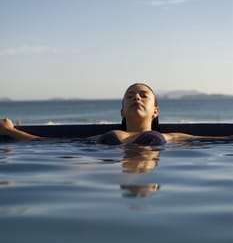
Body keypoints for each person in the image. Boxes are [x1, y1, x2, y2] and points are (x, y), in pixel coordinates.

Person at [0, 83, 232, 144]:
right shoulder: (108, 135)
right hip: (108, 181)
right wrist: (10, 132)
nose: (136, 98)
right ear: (122, 109)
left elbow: (222, 140)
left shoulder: (174, 137)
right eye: (130, 96)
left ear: (156, 110)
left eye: (143, 95)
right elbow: (47, 142)